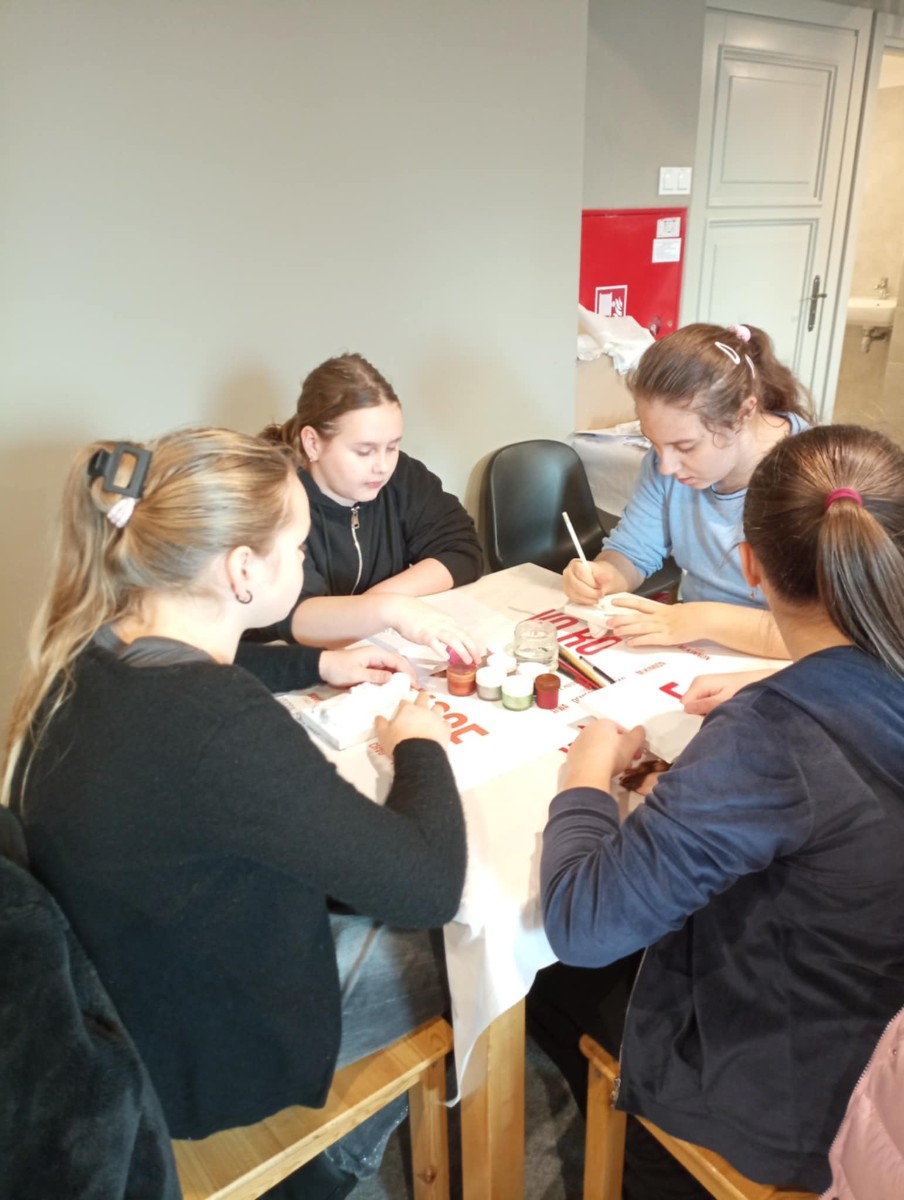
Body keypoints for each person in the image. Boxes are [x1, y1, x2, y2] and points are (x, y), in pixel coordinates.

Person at [3, 429, 468, 1200]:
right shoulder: (217, 722)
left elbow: (221, 668)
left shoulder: (87, 646)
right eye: (297, 546)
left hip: (123, 992)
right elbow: (428, 888)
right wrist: (421, 746)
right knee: (456, 959)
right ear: (243, 569)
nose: (303, 560)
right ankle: (325, 1171)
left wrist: (315, 662)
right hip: (206, 1057)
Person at [534, 424, 904, 1197]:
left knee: (552, 979)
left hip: (807, 1084)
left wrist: (586, 772)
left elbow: (583, 924)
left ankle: (645, 1161)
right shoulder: (818, 704)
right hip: (876, 1012)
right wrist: (775, 687)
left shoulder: (773, 736)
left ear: (750, 565)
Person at [563, 322, 813, 658]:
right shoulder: (665, 464)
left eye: (685, 446)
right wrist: (605, 574)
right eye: (654, 443)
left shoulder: (814, 476)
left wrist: (704, 620)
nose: (666, 466)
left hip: (786, 663)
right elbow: (633, 552)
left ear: (743, 414)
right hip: (696, 647)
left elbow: (826, 637)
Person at [251, 352, 484, 663]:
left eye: (393, 446)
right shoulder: (277, 499)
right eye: (364, 451)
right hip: (284, 666)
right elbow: (292, 616)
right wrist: (387, 610)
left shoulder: (402, 476)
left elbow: (462, 550)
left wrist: (377, 603)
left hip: (364, 655)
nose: (383, 466)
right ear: (313, 443)